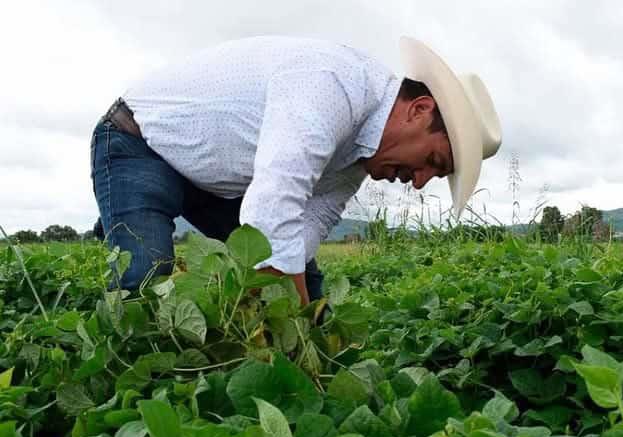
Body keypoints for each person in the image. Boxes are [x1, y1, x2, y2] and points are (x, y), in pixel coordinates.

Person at [90, 36, 501, 304]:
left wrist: (285, 301)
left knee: (305, 280)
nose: (419, 182)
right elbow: (272, 208)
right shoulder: (336, 84)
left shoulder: (355, 165)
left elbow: (305, 228)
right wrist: (295, 332)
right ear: (420, 110)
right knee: (143, 285)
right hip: (140, 144)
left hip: (219, 185)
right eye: (433, 162)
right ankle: (130, 214)